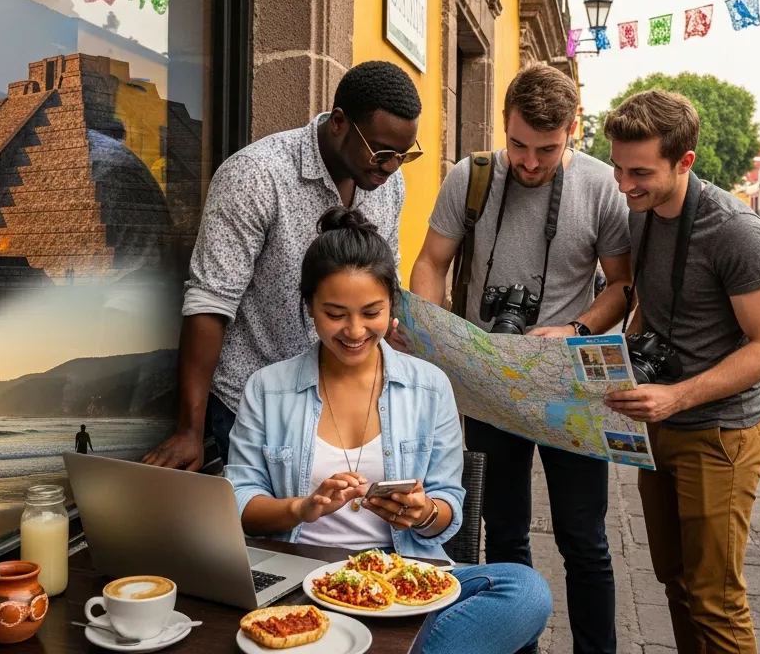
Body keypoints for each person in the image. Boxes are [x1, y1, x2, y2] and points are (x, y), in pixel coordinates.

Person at [226, 207, 552, 654]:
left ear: (392, 307)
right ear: (309, 307)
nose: (355, 331)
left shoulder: (428, 385)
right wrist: (302, 508)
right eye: (335, 313)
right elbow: (240, 502)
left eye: (371, 312)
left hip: (404, 579)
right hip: (299, 580)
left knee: (526, 591)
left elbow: (447, 506)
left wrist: (421, 512)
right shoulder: (267, 388)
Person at [408, 65, 631, 654]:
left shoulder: (603, 185)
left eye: (547, 150)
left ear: (573, 130)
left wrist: (576, 330)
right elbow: (431, 262)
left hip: (568, 382)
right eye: (518, 146)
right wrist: (434, 336)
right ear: (502, 126)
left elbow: (622, 287)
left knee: (584, 539)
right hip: (488, 378)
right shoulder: (471, 177)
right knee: (502, 531)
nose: (530, 163)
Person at [145, 61, 423, 472]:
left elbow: (387, 277)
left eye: (403, 155)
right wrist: (190, 428)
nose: (391, 167)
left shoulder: (387, 182)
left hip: (343, 403)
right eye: (382, 153)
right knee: (269, 531)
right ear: (340, 123)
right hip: (254, 406)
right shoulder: (256, 175)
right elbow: (210, 302)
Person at [601, 89, 760, 654]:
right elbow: (650, 305)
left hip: (720, 435)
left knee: (715, 599)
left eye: (639, 172)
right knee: (676, 583)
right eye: (617, 166)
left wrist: (676, 397)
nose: (623, 184)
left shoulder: (735, 230)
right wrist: (615, 357)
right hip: (660, 428)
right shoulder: (643, 212)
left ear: (685, 162)